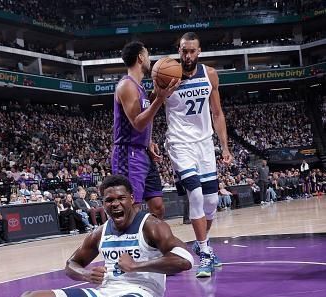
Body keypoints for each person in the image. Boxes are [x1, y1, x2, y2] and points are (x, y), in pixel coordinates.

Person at [21, 175, 193, 297]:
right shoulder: (100, 232)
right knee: (30, 295)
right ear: (103, 203)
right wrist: (85, 274)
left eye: (121, 198)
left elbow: (184, 261)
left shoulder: (151, 226)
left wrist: (135, 266)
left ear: (132, 199)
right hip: (105, 291)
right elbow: (71, 264)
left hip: (142, 290)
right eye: (109, 200)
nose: (115, 204)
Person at [164, 32, 233, 277]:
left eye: (192, 51)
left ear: (199, 51)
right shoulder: (167, 73)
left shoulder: (210, 74)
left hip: (204, 144)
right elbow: (152, 104)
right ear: (179, 49)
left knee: (212, 202)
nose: (188, 55)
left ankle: (200, 242)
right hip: (179, 143)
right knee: (194, 193)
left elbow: (217, 113)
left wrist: (224, 146)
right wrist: (163, 91)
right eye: (184, 50)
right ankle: (204, 253)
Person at [111, 41, 180, 219]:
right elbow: (138, 123)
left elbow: (143, 119)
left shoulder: (140, 87)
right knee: (131, 208)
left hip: (143, 152)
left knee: (157, 207)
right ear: (141, 57)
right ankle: (125, 245)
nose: (149, 59)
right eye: (147, 55)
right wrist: (160, 98)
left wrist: (148, 141)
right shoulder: (127, 86)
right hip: (128, 153)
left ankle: (150, 245)